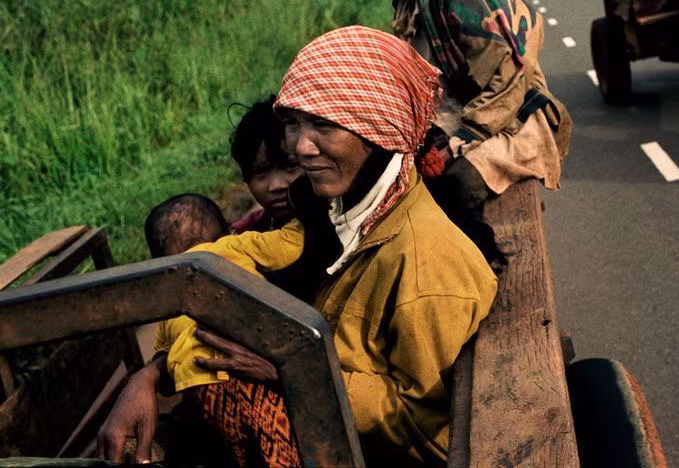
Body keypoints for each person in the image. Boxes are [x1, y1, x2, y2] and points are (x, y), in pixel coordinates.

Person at [99, 26, 498, 467]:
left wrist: (291, 371)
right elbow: (224, 258)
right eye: (293, 122)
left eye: (324, 124)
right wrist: (150, 374)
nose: (302, 148)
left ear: (380, 128)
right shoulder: (335, 213)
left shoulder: (426, 264)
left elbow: (425, 424)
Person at [338, 0, 571, 255]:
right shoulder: (413, 2)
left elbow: (508, 87)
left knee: (452, 189)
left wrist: (452, 148)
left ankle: (478, 270)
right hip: (467, 117)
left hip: (513, 122)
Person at [145, 193, 307, 394]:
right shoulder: (232, 245)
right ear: (228, 232)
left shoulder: (169, 291)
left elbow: (162, 352)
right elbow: (289, 245)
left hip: (197, 379)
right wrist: (304, 217)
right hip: (250, 360)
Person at [228, 95, 302, 233]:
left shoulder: (342, 224)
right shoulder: (245, 234)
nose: (277, 185)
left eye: (290, 166)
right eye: (261, 172)